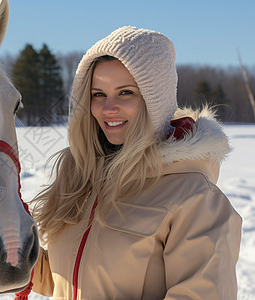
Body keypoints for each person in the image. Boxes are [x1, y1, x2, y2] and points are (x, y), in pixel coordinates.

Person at [30, 26, 242, 299]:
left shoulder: (195, 198)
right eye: (98, 94)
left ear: (156, 100)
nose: (108, 108)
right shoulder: (83, 179)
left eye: (126, 92)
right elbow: (62, 280)